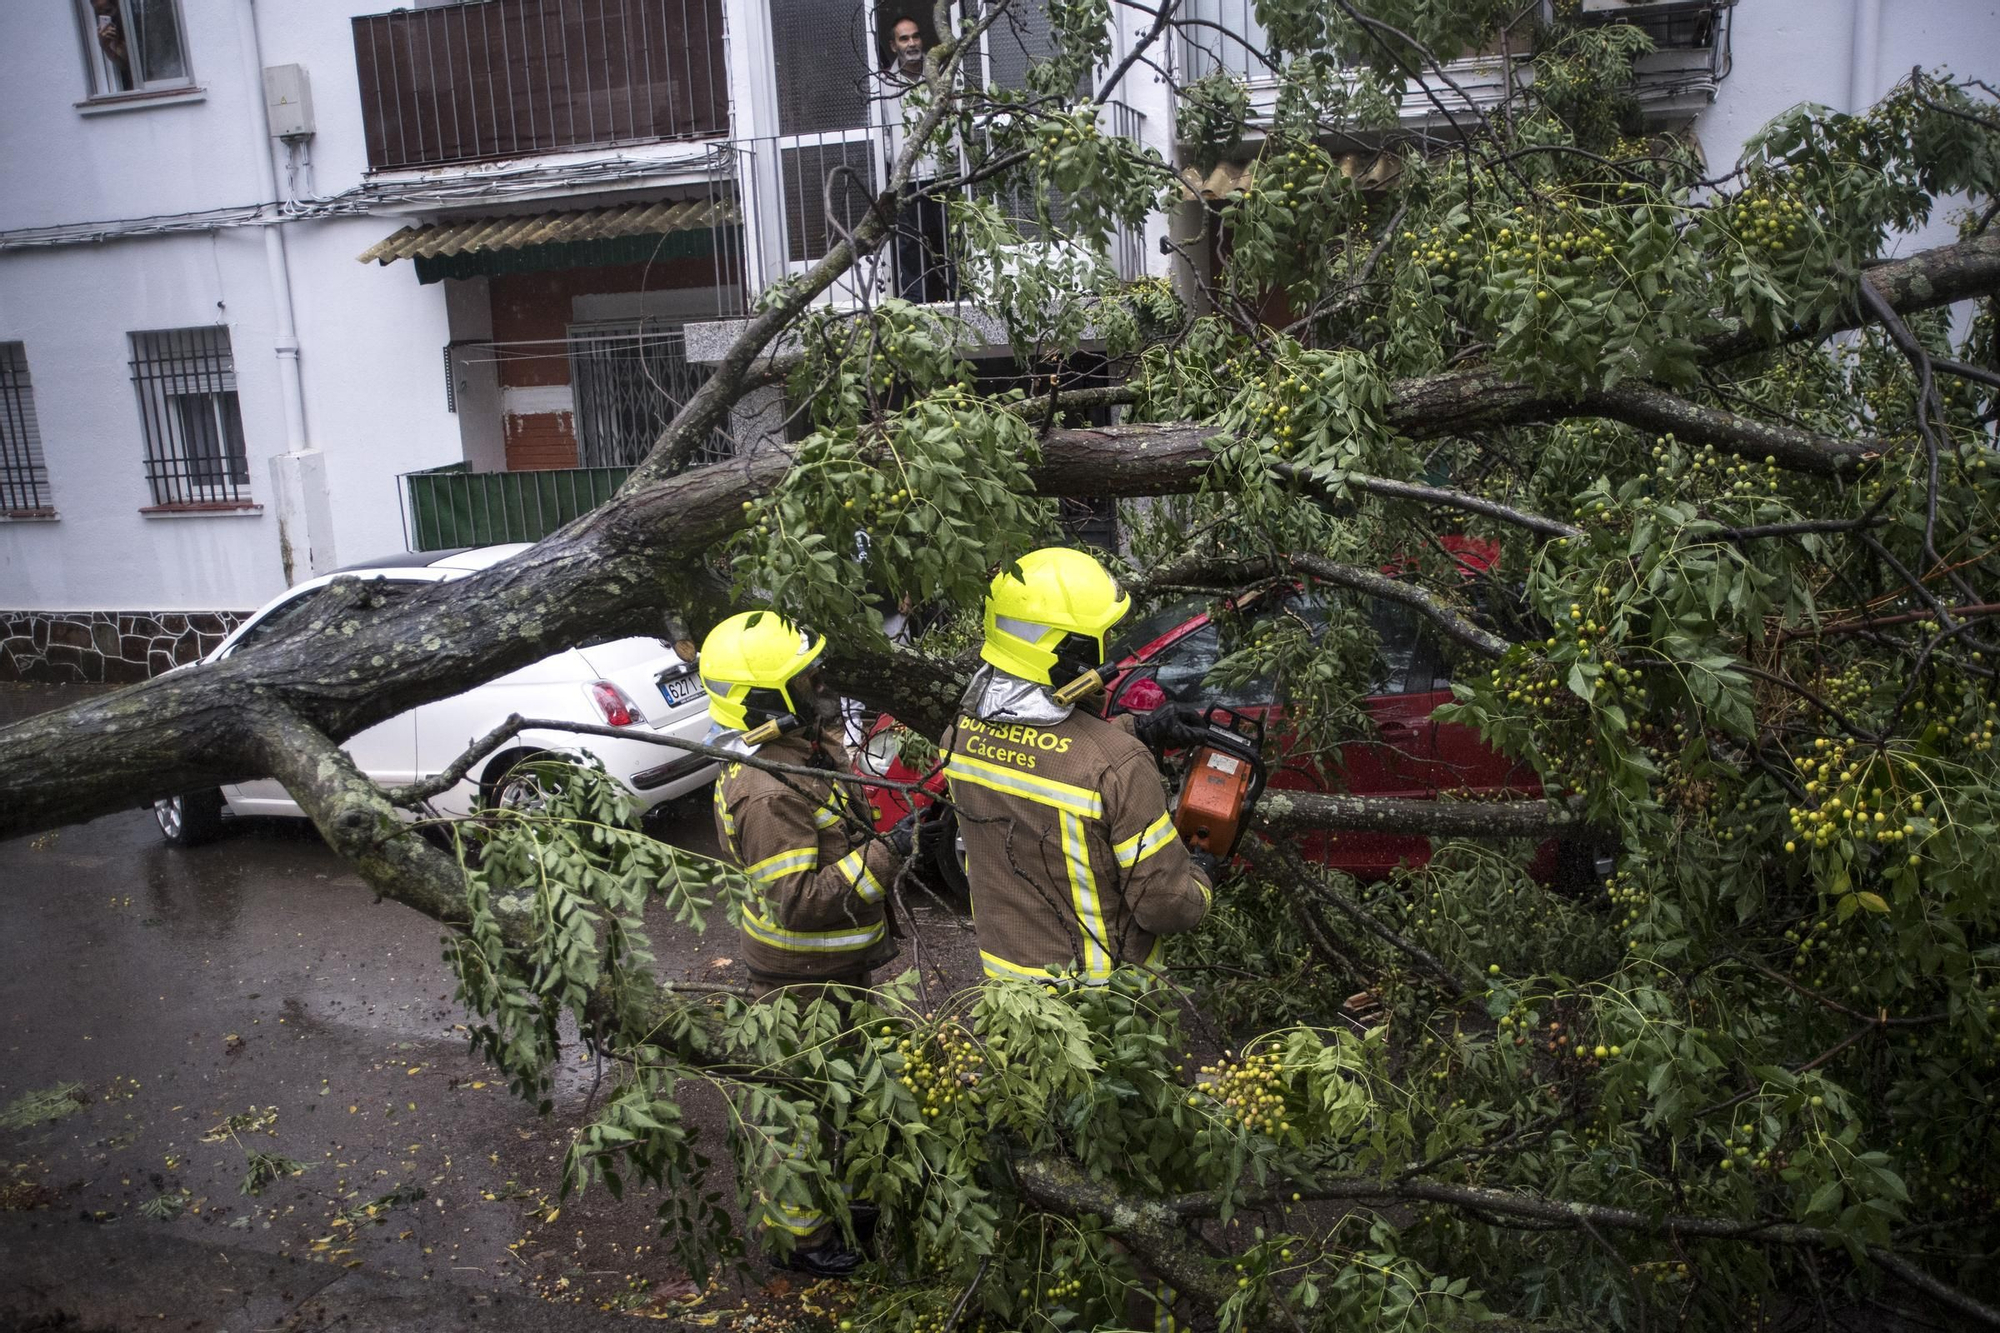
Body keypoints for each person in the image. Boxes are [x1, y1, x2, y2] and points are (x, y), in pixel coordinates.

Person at [699, 609, 909, 1277]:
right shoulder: (763, 790)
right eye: (804, 677)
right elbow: (798, 900)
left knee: (841, 1090)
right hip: (797, 979)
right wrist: (885, 855)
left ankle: (843, 1197)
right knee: (796, 1110)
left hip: (836, 968)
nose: (819, 683)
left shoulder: (799, 752)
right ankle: (801, 1237)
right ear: (766, 699)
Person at [939, 548, 1217, 983]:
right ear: (1073, 654)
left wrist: (1137, 728)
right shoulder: (1119, 768)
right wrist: (1201, 881)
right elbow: (1164, 905)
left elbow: (1053, 758)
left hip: (1006, 992)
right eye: (1105, 639)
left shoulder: (958, 738)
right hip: (1099, 1008)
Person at [879, 13, 956, 302]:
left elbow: (953, 123)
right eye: (904, 38)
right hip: (906, 179)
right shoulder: (885, 83)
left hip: (940, 174)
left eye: (915, 36)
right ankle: (916, 308)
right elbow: (884, 133)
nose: (911, 43)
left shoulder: (938, 75)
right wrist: (894, 165)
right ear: (894, 45)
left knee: (946, 243)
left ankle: (953, 303)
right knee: (910, 247)